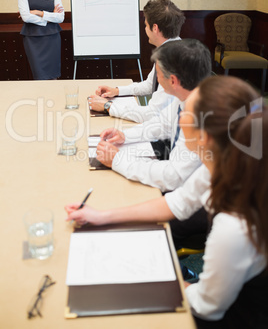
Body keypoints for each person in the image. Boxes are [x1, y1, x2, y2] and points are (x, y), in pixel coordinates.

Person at [65, 76, 268, 327]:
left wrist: (158, 279)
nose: (179, 118)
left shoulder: (234, 226)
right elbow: (177, 203)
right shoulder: (223, 162)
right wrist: (101, 216)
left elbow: (207, 307)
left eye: (187, 115)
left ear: (205, 137)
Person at [95, 39, 211, 193]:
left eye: (157, 74)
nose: (155, 79)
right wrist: (125, 135)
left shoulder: (198, 118)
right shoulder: (185, 96)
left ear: (173, 80)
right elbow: (162, 124)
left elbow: (173, 177)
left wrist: (118, 160)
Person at [88, 0, 185, 123]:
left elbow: (150, 114)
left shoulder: (172, 61)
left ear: (155, 28)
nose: (145, 29)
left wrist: (108, 106)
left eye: (145, 25)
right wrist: (117, 91)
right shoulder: (173, 49)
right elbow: (150, 85)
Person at [18, 0, 64, 80]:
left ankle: (53, 99)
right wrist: (50, 18)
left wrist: (39, 13)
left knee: (54, 75)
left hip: (52, 38)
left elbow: (60, 17)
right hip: (33, 39)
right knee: (39, 76)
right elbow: (26, 17)